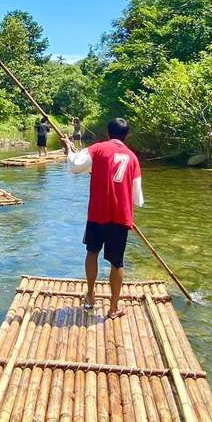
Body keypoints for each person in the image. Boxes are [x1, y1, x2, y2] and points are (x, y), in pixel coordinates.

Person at [64, 117, 143, 318]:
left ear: (108, 133)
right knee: (117, 263)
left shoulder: (98, 149)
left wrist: (69, 149)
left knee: (92, 253)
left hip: (98, 214)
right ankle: (113, 307)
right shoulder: (133, 158)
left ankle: (90, 296)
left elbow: (75, 165)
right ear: (127, 136)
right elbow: (137, 198)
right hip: (120, 217)